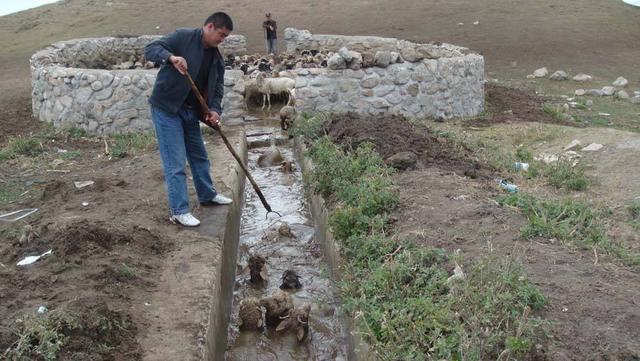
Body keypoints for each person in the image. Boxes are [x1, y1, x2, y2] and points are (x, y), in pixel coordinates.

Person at [144, 12, 234, 227]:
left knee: (199, 156)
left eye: (225, 37)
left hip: (190, 111)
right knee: (175, 162)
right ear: (209, 27)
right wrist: (171, 58)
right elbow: (150, 49)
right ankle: (179, 211)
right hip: (167, 108)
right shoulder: (183, 37)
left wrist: (214, 110)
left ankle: (207, 194)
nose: (222, 40)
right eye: (221, 35)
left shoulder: (216, 58)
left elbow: (218, 87)